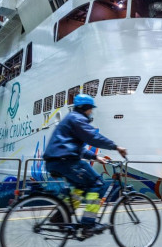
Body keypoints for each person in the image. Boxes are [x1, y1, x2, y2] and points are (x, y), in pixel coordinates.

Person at [43, 94, 127, 235]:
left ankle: (60, 217)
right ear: (85, 108)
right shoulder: (78, 119)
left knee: (79, 188)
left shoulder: (71, 119)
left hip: (56, 161)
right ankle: (88, 224)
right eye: (90, 109)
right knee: (97, 183)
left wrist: (95, 157)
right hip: (67, 161)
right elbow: (93, 137)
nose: (91, 112)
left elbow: (75, 147)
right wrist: (116, 147)